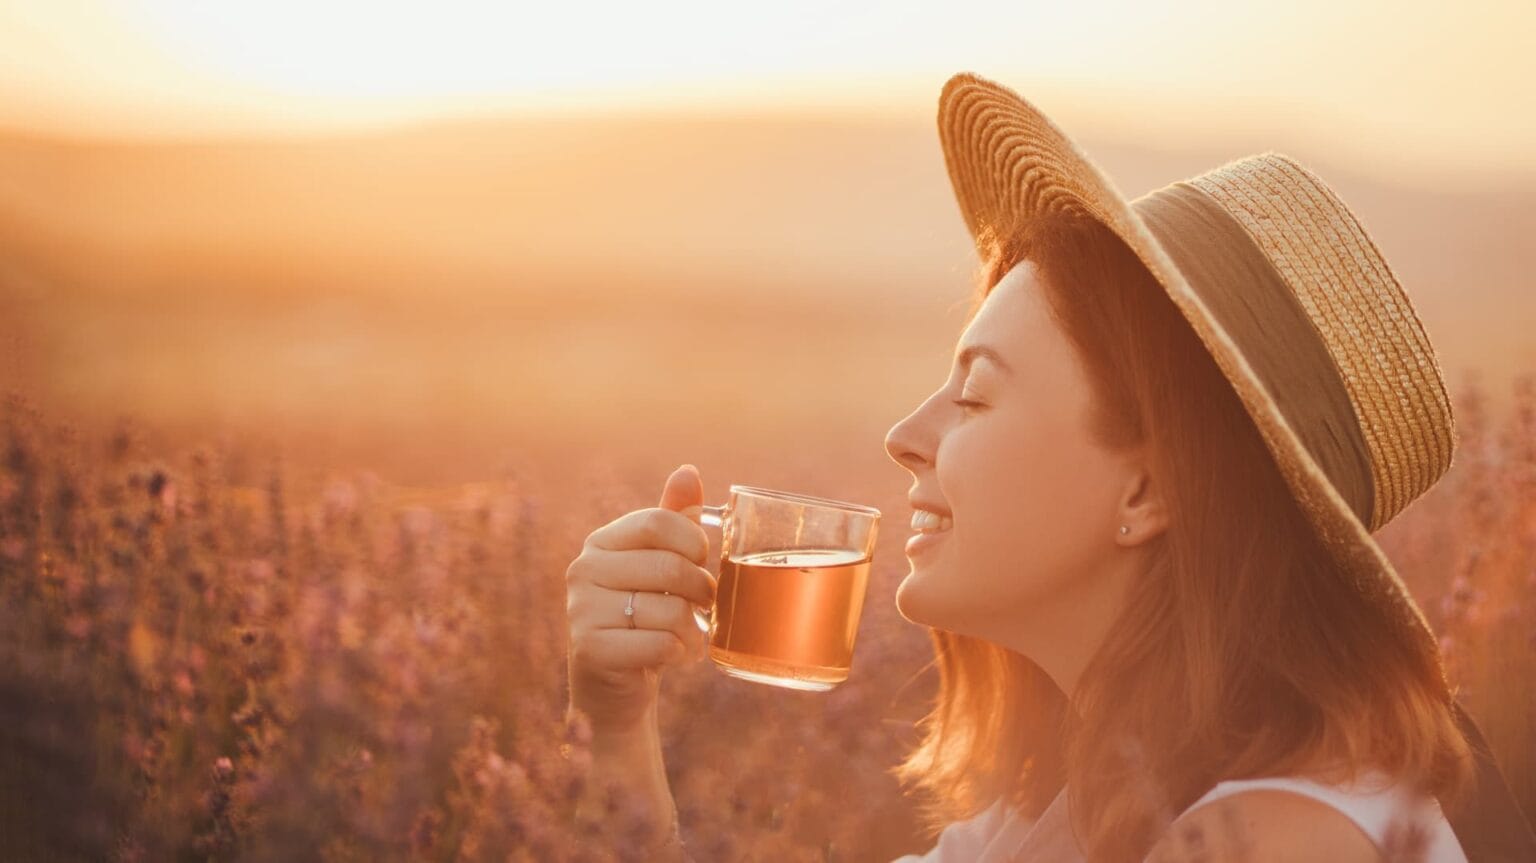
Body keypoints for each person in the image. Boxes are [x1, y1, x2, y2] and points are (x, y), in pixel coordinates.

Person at [562, 72, 1536, 862]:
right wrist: (615, 727)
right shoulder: (1072, 813)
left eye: (977, 393)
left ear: (1149, 489)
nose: (906, 432)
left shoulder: (1282, 839)